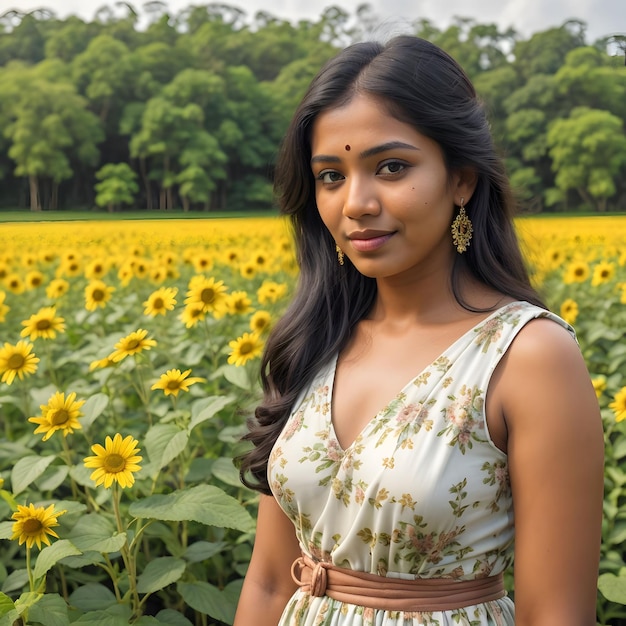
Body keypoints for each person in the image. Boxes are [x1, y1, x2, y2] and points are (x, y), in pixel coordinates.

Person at [233, 35, 604, 626]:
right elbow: (272, 580)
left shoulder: (527, 357)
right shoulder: (314, 341)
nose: (356, 202)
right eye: (331, 175)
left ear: (461, 179)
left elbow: (556, 614)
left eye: (391, 167)